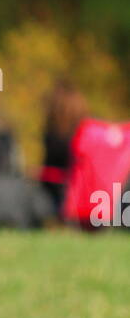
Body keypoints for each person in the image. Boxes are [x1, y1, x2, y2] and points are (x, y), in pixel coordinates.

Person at [39, 79, 88, 220]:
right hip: (90, 198)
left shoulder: (54, 138)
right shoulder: (89, 135)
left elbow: (50, 175)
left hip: (59, 198)